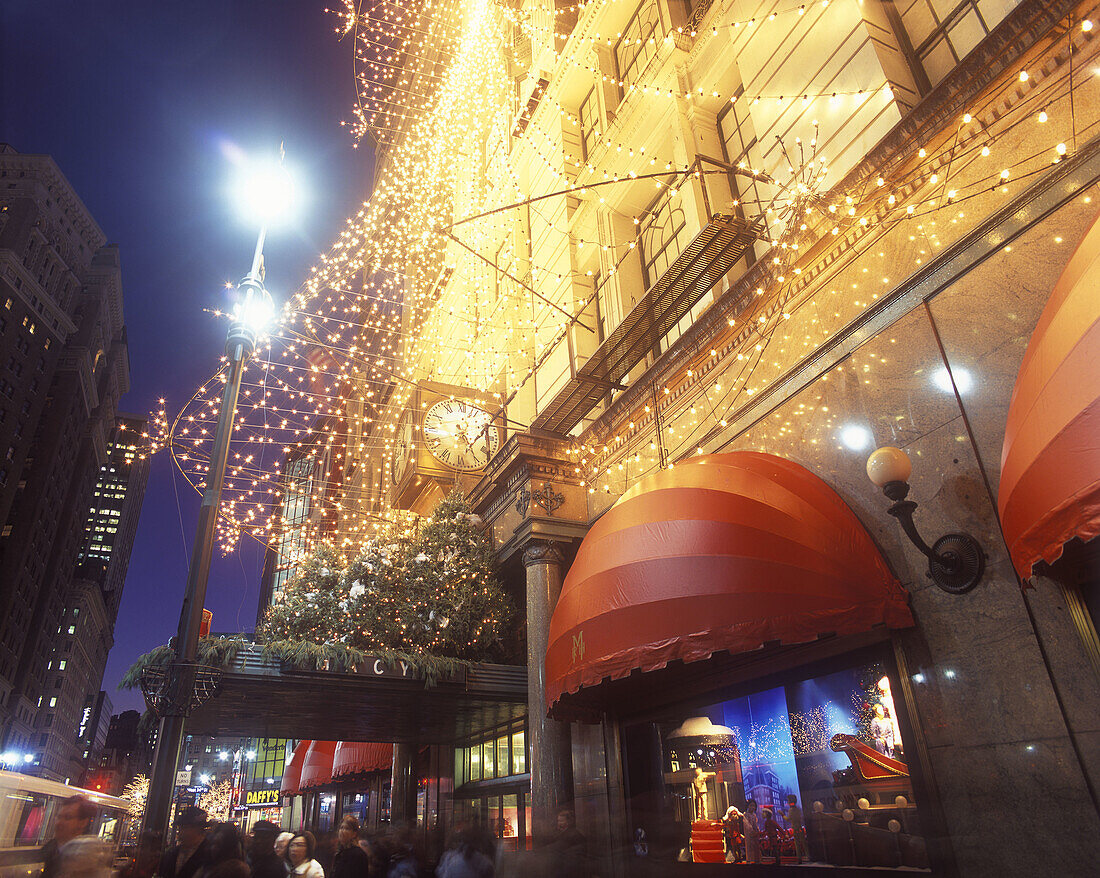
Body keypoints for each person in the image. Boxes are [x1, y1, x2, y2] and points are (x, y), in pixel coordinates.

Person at [41, 796, 97, 878]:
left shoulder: (88, 856)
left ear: (83, 823)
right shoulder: (49, 849)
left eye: (67, 817)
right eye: (59, 817)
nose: (59, 823)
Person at [158, 807, 209, 878]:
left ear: (198, 829)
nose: (180, 833)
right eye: (180, 828)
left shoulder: (209, 855)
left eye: (185, 828)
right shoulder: (171, 853)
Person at [784, 795, 808, 863]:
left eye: (788, 800)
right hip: (800, 827)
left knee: (797, 844)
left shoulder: (791, 810)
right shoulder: (798, 809)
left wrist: (782, 815)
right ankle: (808, 856)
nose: (787, 802)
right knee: (804, 843)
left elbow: (788, 819)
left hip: (795, 828)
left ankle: (799, 858)